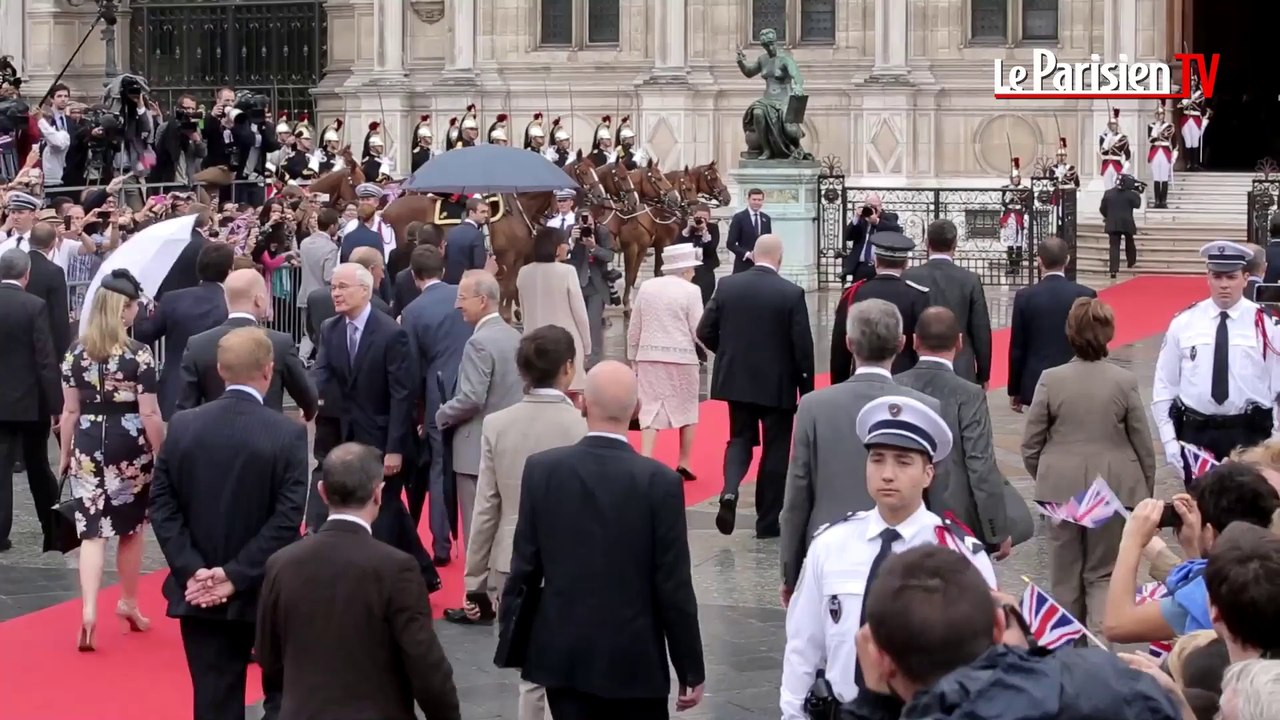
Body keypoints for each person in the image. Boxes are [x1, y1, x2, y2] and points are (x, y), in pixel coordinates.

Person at [499, 362, 705, 720]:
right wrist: (689, 666)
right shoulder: (659, 483)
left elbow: (524, 570)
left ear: (582, 404)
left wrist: (515, 641)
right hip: (635, 658)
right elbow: (673, 585)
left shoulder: (543, 470)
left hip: (566, 654)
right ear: (637, 409)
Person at [779, 395, 996, 719]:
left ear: (928, 473)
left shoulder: (958, 554)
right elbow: (803, 647)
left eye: (903, 461)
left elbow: (982, 659)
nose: (887, 473)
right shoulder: (831, 544)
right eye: (877, 459)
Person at [149, 327, 307, 720]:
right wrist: (236, 575)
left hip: (197, 592)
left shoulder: (184, 425)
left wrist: (194, 571)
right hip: (265, 587)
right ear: (269, 371)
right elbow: (288, 518)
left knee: (213, 698)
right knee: (282, 694)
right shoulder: (286, 433)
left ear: (220, 370)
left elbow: (162, 506)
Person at [846, 546, 1184, 720]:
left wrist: (872, 704)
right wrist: (1027, 653)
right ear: (998, 627)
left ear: (881, 661)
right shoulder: (1121, 686)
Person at [256, 443, 461, 720]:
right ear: (378, 493)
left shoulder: (281, 563)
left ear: (322, 493)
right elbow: (425, 666)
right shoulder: (397, 568)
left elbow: (269, 655)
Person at [460, 326, 586, 714]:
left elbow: (486, 505)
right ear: (568, 368)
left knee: (530, 674)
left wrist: (473, 579)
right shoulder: (583, 426)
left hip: (510, 557)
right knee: (574, 666)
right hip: (576, 558)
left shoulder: (498, 424)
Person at [779, 299, 940, 603]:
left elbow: (797, 495)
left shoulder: (814, 406)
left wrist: (791, 572)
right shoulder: (925, 408)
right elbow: (939, 492)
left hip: (828, 552)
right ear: (902, 343)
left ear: (849, 344)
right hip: (905, 554)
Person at [1021, 297, 1155, 635]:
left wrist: (1049, 476)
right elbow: (1142, 445)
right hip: (1111, 489)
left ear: (1070, 333)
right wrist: (1144, 493)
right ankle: (1101, 649)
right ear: (1108, 334)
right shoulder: (1124, 382)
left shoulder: (1051, 379)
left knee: (1064, 577)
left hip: (1060, 489)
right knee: (1103, 574)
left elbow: (1031, 443)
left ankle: (1067, 651)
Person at [58, 270, 165, 650]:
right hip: (129, 439)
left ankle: (88, 611)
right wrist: (160, 448)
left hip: (88, 436)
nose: (137, 312)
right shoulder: (139, 354)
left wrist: (65, 452)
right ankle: (128, 602)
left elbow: (68, 411)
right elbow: (150, 412)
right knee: (131, 526)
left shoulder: (74, 351)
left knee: (90, 529)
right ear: (123, 309)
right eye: (134, 306)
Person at [698, 234, 814, 538]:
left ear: (754, 255)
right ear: (780, 257)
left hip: (737, 381)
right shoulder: (791, 293)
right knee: (775, 451)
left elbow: (704, 330)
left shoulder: (728, 286)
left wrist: (727, 355)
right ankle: (766, 522)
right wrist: (807, 389)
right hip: (778, 385)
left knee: (739, 439)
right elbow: (802, 347)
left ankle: (730, 490)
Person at [1102, 463, 1280, 644]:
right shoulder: (1269, 570)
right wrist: (1194, 548)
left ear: (1210, 534)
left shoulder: (1217, 594)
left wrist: (1132, 540)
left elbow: (1117, 625)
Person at [1152, 241, 1280, 485]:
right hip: (1197, 434)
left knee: (1247, 515)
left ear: (1245, 278)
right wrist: (1169, 442)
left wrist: (1274, 444)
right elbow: (1164, 387)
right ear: (1207, 277)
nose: (1224, 285)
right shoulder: (1184, 322)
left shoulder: (1266, 326)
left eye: (1231, 277)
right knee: (1199, 514)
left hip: (1249, 435)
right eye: (1217, 276)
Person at [436, 270, 524, 601]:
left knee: (477, 527)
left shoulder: (478, 342)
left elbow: (471, 398)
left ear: (482, 300)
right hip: (506, 444)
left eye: (462, 297)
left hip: (474, 447)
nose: (457, 305)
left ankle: (479, 598)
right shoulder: (515, 336)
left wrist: (441, 414)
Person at [309, 263, 416, 535]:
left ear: (365, 290)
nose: (335, 294)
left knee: (385, 511)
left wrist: (395, 448)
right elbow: (321, 374)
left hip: (378, 438)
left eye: (342, 287)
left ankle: (413, 568)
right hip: (340, 435)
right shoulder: (329, 328)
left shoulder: (391, 333)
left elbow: (401, 395)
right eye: (333, 287)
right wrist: (308, 401)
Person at [897, 307, 1010, 557]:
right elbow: (980, 465)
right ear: (959, 343)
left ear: (915, 341)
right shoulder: (970, 395)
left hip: (900, 515)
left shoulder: (894, 386)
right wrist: (996, 530)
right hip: (955, 523)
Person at [400, 244, 472, 554]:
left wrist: (417, 412)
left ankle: (441, 544)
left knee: (439, 467)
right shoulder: (463, 296)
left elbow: (413, 367)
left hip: (436, 395)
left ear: (415, 276)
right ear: (443, 270)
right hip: (472, 384)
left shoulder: (413, 311)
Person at [177, 268, 317, 416]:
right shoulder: (280, 343)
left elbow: (185, 405)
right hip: (269, 434)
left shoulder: (198, 344)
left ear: (226, 298)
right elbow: (307, 396)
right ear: (259, 299)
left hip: (212, 434)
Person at [0, 249, 62, 553]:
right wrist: (56, 405)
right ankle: (52, 530)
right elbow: (46, 359)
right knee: (38, 464)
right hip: (31, 401)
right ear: (26, 275)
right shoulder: (34, 306)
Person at [132, 242, 234, 420]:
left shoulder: (174, 299)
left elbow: (144, 332)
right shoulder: (231, 303)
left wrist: (139, 307)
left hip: (176, 391)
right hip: (221, 392)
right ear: (230, 270)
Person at [627, 244, 704, 474]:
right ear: (685, 269)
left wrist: (633, 357)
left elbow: (635, 325)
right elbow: (698, 329)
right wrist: (711, 351)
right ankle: (685, 461)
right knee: (688, 408)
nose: (694, 272)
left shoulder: (647, 287)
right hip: (683, 357)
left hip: (649, 355)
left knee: (649, 408)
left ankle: (647, 456)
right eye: (692, 268)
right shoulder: (692, 291)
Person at [1007, 236, 1096, 413]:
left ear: (1039, 261)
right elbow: (1092, 342)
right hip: (1077, 380)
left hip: (1037, 381)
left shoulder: (1026, 297)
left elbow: (1018, 347)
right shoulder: (1085, 294)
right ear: (1068, 260)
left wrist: (1015, 389)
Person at [830, 231, 931, 381]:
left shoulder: (854, 293)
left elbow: (840, 348)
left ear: (876, 261)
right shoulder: (918, 296)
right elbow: (923, 346)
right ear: (905, 264)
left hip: (861, 380)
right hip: (906, 381)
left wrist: (839, 384)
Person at [901, 219, 992, 386]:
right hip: (960, 367)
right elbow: (981, 330)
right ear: (955, 244)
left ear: (927, 243)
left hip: (916, 366)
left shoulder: (908, 277)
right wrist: (983, 373)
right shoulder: (969, 280)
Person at [517, 227, 592, 392]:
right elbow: (580, 314)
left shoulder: (523, 273)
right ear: (557, 247)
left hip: (534, 346)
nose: (567, 247)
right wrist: (587, 347)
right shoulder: (567, 272)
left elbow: (523, 311)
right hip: (566, 344)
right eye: (565, 243)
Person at [568, 208, 614, 369]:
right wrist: (572, 242)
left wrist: (594, 247)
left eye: (589, 220)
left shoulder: (602, 232)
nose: (586, 224)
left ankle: (593, 361)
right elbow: (562, 256)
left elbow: (610, 256)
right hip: (576, 283)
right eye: (582, 220)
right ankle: (576, 357)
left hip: (596, 284)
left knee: (593, 322)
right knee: (575, 322)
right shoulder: (571, 232)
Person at [24, 222, 71, 358]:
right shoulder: (54, 271)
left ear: (28, 241)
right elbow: (59, 314)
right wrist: (63, 352)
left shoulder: (15, 266)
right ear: (53, 244)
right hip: (43, 341)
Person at [840, 192, 903, 284]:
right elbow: (848, 236)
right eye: (870, 206)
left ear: (881, 207)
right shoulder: (861, 220)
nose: (872, 209)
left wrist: (876, 222)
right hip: (861, 266)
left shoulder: (889, 217)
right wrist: (856, 217)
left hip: (880, 266)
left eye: (875, 206)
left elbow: (895, 230)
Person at [674, 203, 720, 305]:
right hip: (687, 269)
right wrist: (687, 230)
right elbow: (677, 246)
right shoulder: (687, 228)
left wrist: (704, 231)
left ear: (709, 218)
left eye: (705, 218)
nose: (701, 220)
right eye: (699, 217)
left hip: (705, 268)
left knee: (703, 299)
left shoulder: (713, 228)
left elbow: (711, 249)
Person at [1100, 173, 1142, 278]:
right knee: (1129, 241)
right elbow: (1137, 205)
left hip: (1112, 222)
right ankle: (1131, 262)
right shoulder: (1131, 194)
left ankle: (1113, 270)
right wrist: (1137, 193)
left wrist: (1108, 216)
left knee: (1114, 246)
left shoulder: (1108, 193)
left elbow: (1102, 209)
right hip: (1127, 222)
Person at [444, 197, 490, 284]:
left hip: (449, 282)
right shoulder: (477, 235)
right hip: (468, 284)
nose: (486, 215)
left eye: (487, 212)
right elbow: (479, 266)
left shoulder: (451, 231)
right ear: (471, 213)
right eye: (482, 212)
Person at [725, 188, 770, 274]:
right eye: (754, 199)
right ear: (748, 200)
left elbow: (767, 241)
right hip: (743, 266)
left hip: (761, 267)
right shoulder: (739, 218)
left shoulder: (766, 219)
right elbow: (730, 244)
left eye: (759, 200)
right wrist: (747, 254)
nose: (756, 202)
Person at [1148, 100, 1176, 209]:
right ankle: (1157, 201)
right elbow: (1150, 139)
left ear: (1164, 115)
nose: (1160, 116)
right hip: (1155, 151)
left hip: (1165, 151)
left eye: (1162, 114)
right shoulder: (1151, 126)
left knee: (1164, 177)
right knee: (1156, 178)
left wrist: (1174, 155)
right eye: (1158, 114)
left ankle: (1163, 201)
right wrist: (1156, 129)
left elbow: (1174, 142)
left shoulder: (1170, 126)